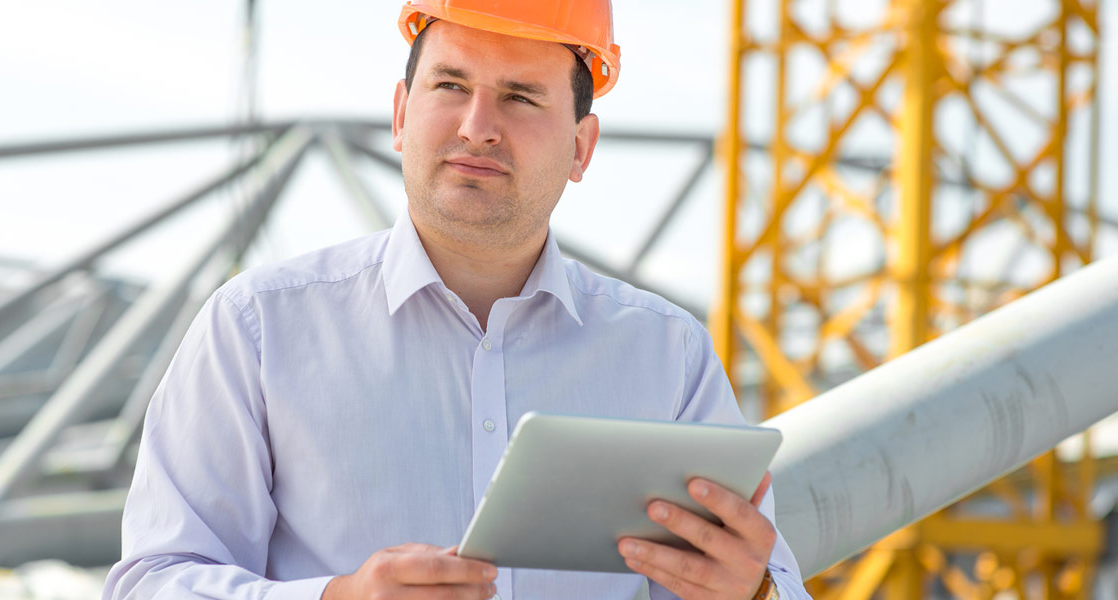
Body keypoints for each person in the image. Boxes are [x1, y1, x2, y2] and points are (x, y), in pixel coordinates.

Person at [103, 1, 811, 599]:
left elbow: (768, 576)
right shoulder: (258, 329)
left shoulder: (668, 355)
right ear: (401, 113)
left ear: (580, 148)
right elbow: (151, 582)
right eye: (450, 85)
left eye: (520, 97)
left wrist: (755, 592)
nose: (477, 125)